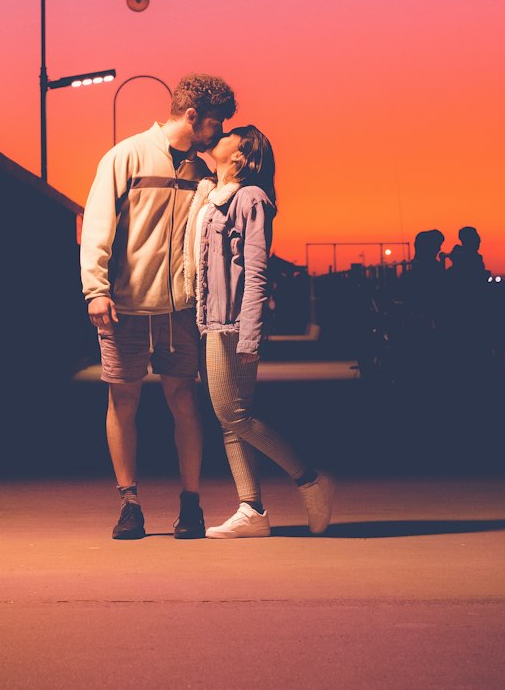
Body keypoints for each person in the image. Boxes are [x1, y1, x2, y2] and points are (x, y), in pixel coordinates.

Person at [80, 72, 236, 541]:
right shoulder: (125, 156)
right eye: (215, 123)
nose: (220, 132)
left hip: (180, 310)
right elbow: (98, 222)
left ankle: (191, 503)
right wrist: (96, 289)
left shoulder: (203, 171)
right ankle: (129, 504)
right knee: (122, 400)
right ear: (192, 116)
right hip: (124, 305)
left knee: (184, 400)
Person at [185, 125, 334, 539]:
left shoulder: (250, 198)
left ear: (242, 152)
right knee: (230, 419)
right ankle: (251, 509)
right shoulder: (214, 196)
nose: (222, 134)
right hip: (211, 319)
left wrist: (250, 334)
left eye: (230, 134)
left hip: (232, 322)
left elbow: (257, 271)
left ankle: (309, 479)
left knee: (234, 415)